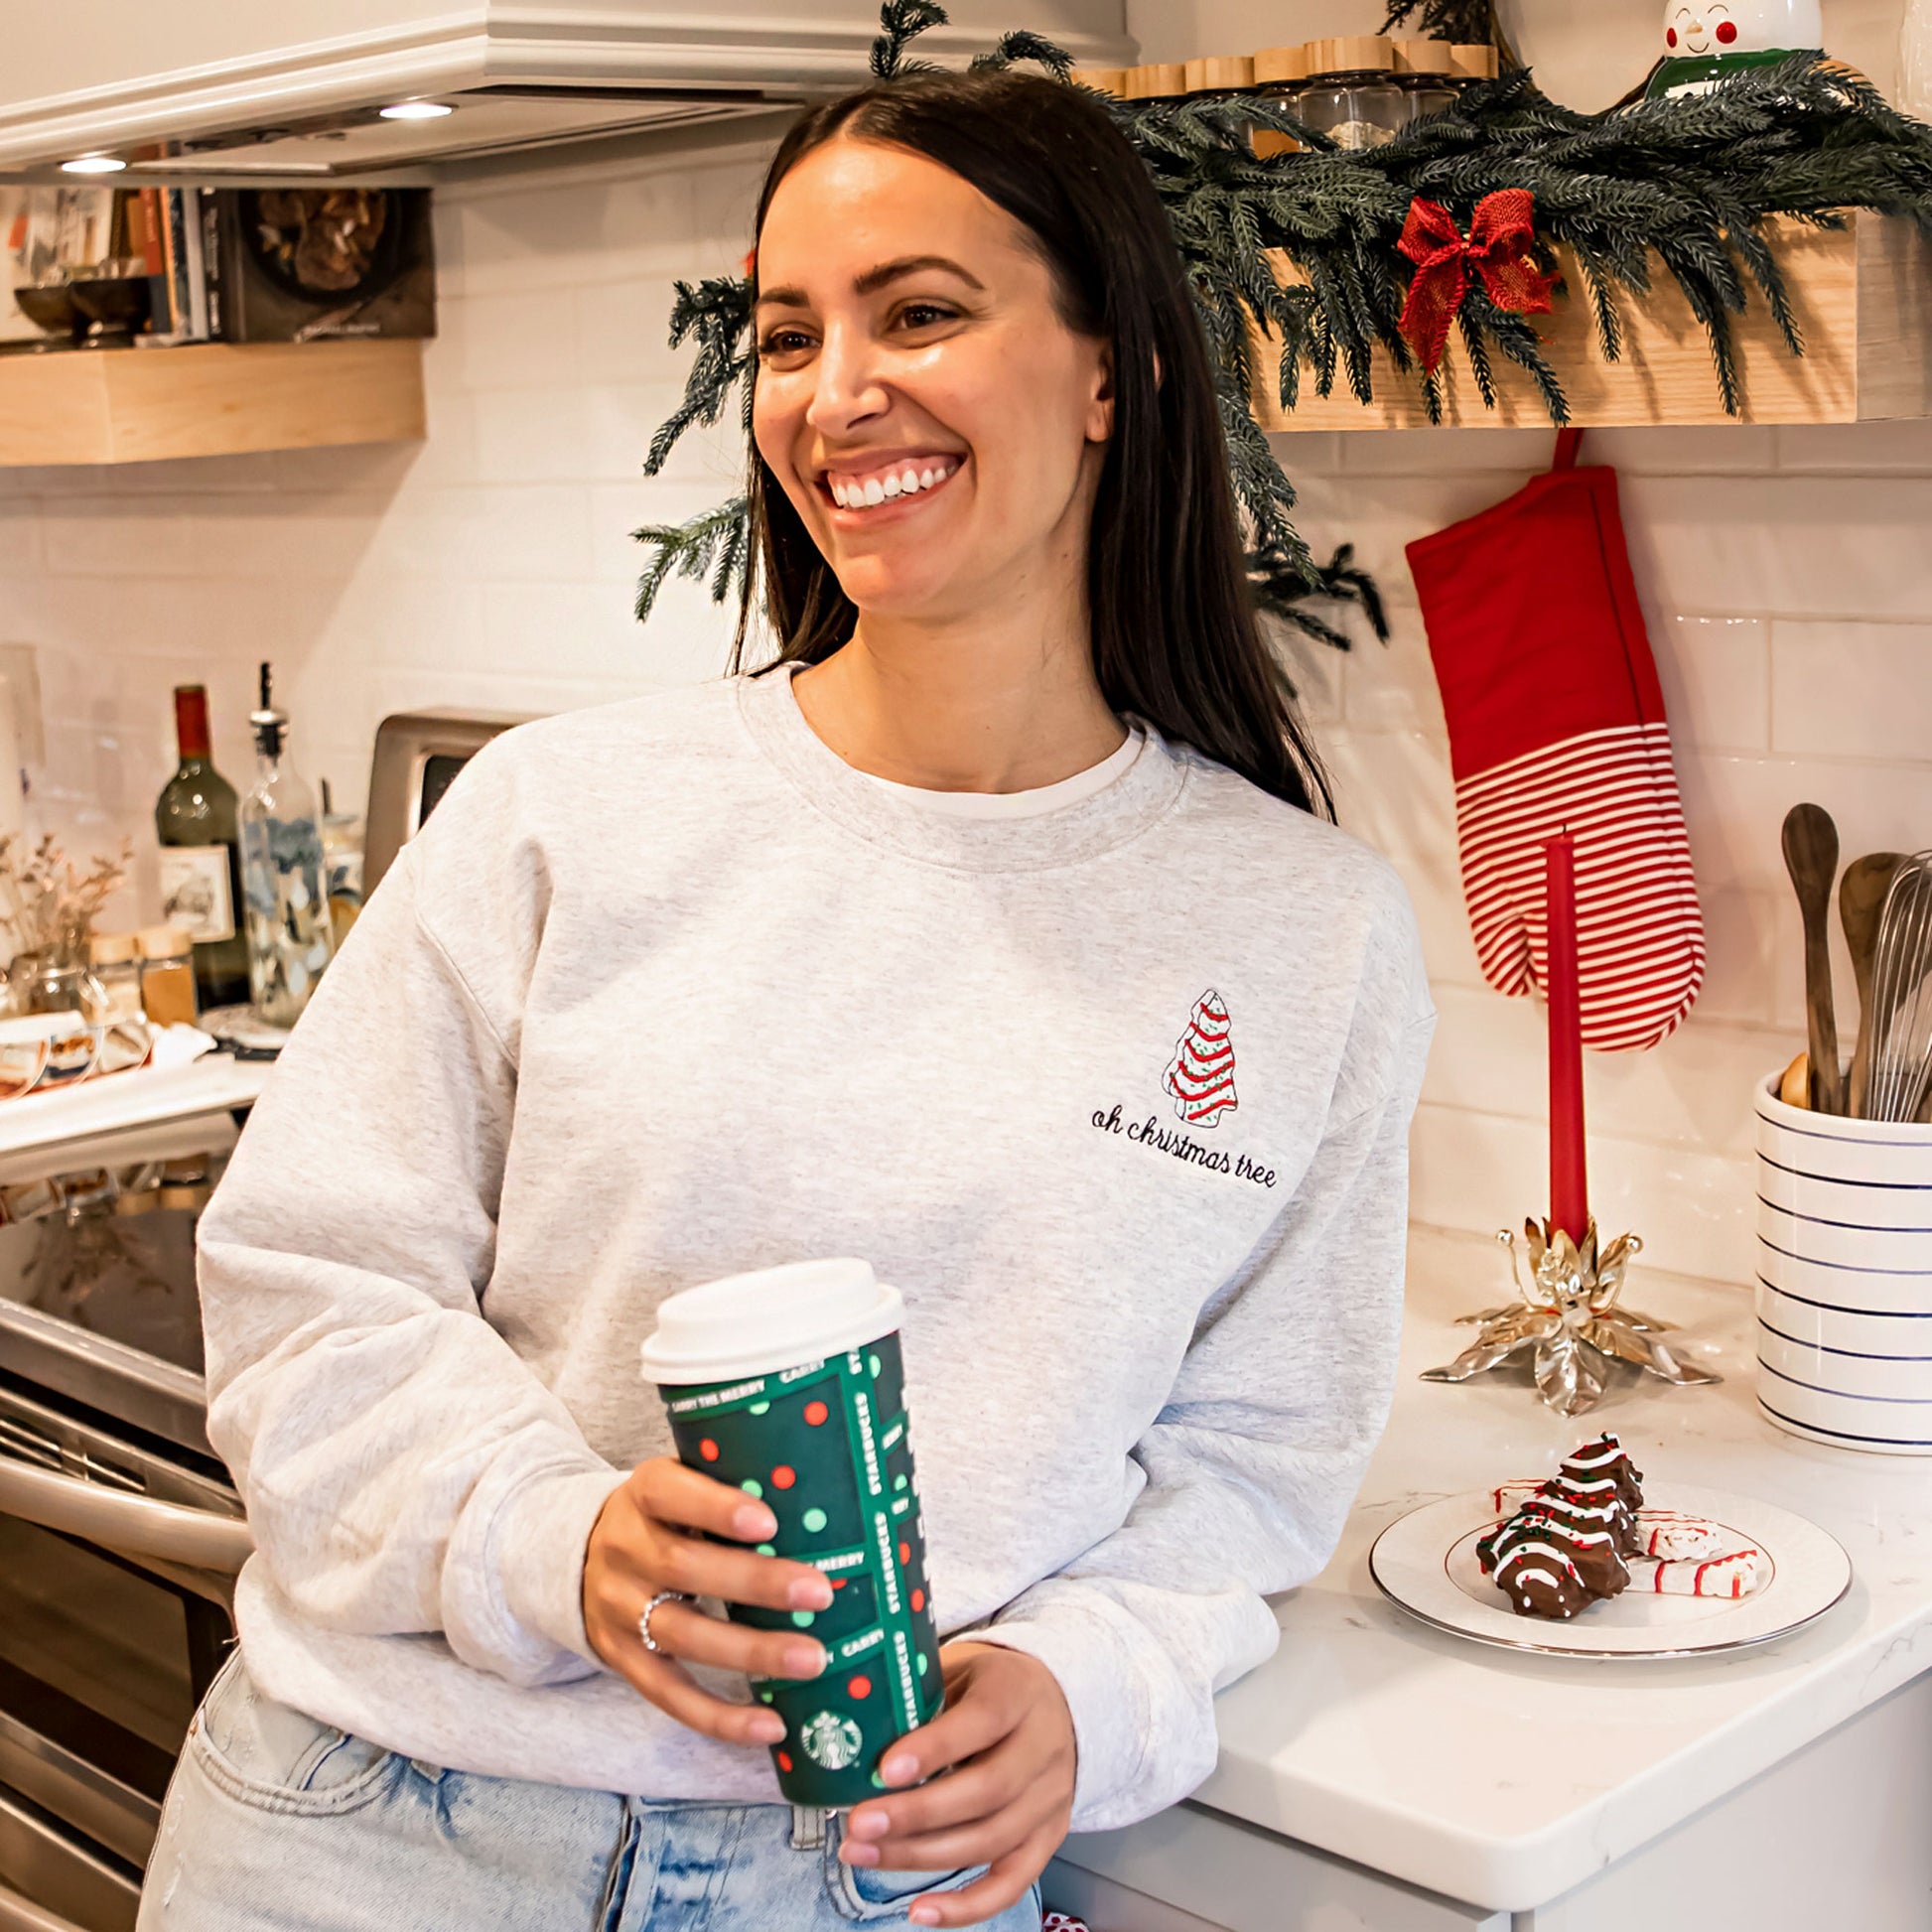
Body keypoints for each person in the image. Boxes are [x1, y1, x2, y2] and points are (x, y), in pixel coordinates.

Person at [140, 66, 1435, 1932]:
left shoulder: (1301, 931)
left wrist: (1092, 1682)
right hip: (377, 1830)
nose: (836, 395)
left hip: (866, 1878)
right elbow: (304, 1293)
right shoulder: (563, 816)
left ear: (1109, 372)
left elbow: (1253, 1462)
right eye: (784, 335)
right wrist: (551, 1536)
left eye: (920, 312)